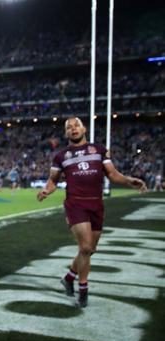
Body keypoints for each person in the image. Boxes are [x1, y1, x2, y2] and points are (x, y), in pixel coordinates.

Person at [37, 117, 146, 308]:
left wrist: (129, 180)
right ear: (66, 133)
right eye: (68, 127)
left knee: (89, 250)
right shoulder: (61, 156)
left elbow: (112, 174)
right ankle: (83, 290)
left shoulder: (99, 150)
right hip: (75, 204)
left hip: (96, 205)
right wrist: (47, 190)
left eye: (76, 125)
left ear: (84, 128)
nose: (73, 129)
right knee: (86, 247)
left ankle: (69, 277)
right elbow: (53, 180)